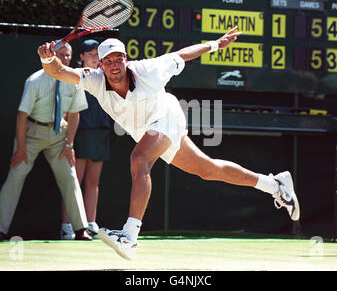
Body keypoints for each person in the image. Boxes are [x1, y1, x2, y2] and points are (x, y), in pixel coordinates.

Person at [37, 26, 300, 259]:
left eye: (119, 59)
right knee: (208, 170)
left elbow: (183, 54)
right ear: (101, 66)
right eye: (108, 61)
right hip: (147, 130)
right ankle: (274, 184)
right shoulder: (92, 79)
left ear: (126, 61)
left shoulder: (149, 70)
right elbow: (59, 71)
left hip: (166, 116)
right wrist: (47, 57)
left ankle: (129, 236)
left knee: (139, 159)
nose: (115, 65)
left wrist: (216, 44)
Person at [0, 42, 92, 242]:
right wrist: (21, 148)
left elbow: (74, 115)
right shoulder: (34, 81)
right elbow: (22, 115)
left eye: (68, 55)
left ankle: (81, 229)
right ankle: (0, 229)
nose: (65, 59)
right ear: (51, 56)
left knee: (70, 176)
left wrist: (69, 145)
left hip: (59, 135)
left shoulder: (75, 81)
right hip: (31, 134)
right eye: (61, 55)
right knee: (15, 176)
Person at [60, 40, 111, 240]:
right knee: (74, 182)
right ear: (81, 57)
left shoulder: (105, 76)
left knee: (93, 182)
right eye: (90, 53)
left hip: (100, 132)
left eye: (97, 54)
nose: (95, 57)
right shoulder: (73, 76)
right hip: (79, 132)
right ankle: (67, 226)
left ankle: (90, 224)